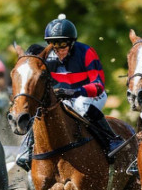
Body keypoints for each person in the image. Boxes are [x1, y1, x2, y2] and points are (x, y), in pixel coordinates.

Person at [15, 14, 122, 171]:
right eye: (53, 45)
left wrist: (74, 91)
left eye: (63, 44)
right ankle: (27, 147)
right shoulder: (47, 57)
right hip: (62, 98)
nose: (58, 50)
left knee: (79, 105)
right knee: (42, 111)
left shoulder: (86, 52)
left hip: (89, 95)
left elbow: (98, 85)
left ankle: (112, 139)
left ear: (72, 43)